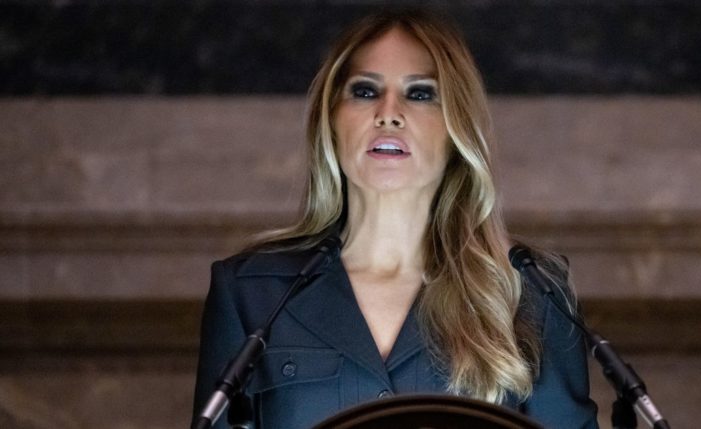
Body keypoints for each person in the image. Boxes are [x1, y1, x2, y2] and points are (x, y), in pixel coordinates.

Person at [192, 10, 599, 429]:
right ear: (331, 120)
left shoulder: (531, 292)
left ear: (457, 125)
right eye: (365, 92)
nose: (389, 113)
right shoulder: (251, 293)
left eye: (420, 94)